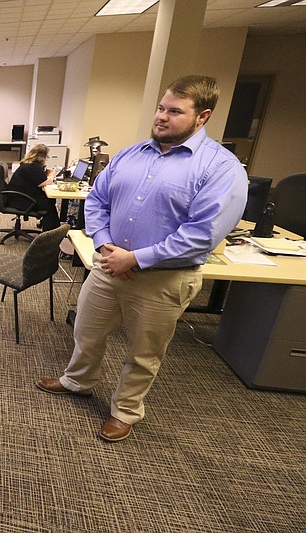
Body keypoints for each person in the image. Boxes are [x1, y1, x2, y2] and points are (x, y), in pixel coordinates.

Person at [36, 75, 247, 442]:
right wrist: (104, 246)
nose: (162, 117)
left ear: (203, 117)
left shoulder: (221, 168)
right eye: (161, 108)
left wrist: (136, 259)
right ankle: (78, 381)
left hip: (162, 279)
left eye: (175, 111)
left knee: (143, 352)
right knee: (86, 332)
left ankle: (126, 411)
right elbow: (98, 201)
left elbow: (202, 236)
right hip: (107, 267)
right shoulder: (131, 154)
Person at [7, 143, 61, 231]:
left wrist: (45, 174)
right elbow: (42, 183)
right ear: (41, 157)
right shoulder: (32, 167)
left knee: (50, 200)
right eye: (46, 157)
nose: (46, 159)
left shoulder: (29, 164)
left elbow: (38, 179)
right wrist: (52, 174)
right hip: (20, 200)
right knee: (49, 205)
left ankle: (54, 229)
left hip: (18, 196)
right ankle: (49, 233)